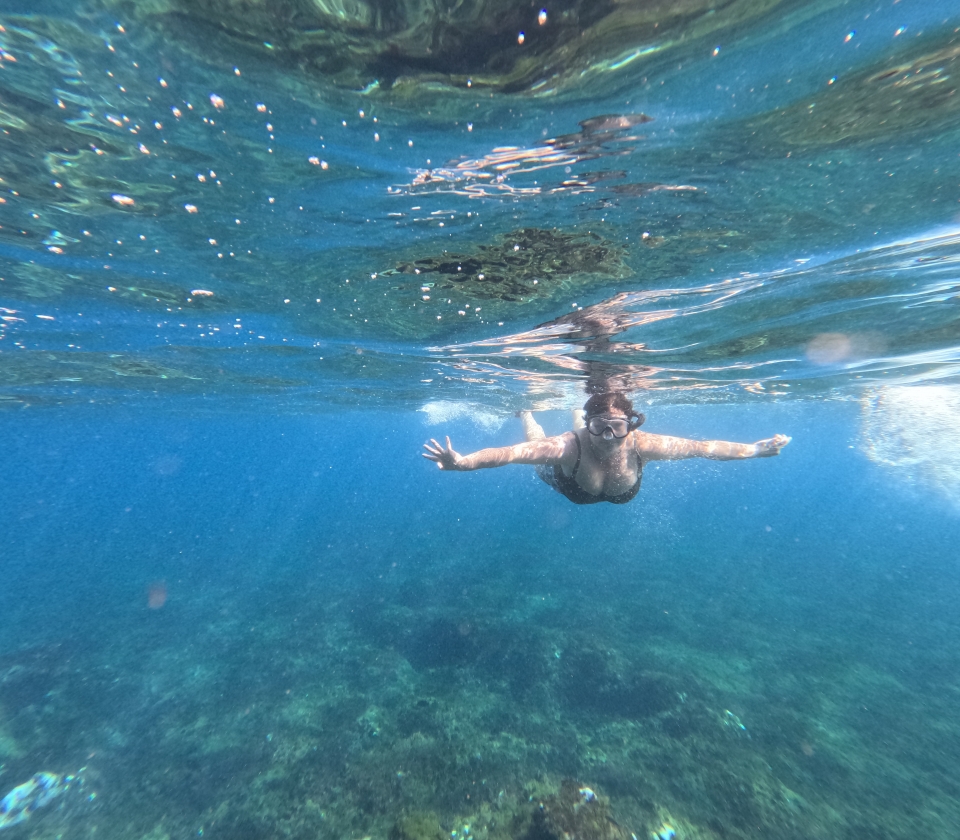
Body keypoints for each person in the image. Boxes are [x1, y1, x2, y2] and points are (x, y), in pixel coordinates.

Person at [422, 392, 791, 505]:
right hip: (562, 478)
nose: (609, 437)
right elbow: (510, 454)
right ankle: (528, 411)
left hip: (588, 475)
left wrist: (754, 450)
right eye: (599, 427)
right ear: (589, 426)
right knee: (535, 445)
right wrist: (464, 462)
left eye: (618, 427)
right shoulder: (569, 446)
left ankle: (575, 405)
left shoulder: (644, 445)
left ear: (631, 426)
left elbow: (703, 447)